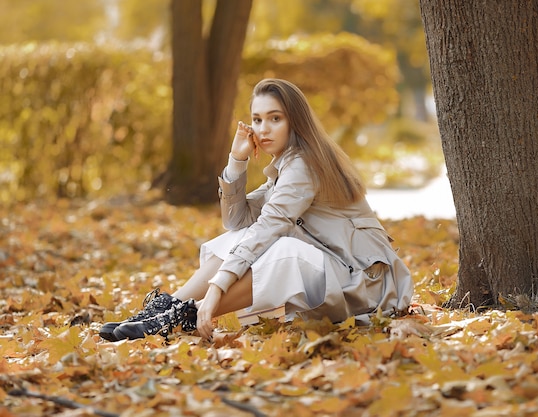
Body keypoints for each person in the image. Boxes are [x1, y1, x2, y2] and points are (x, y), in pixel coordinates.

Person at [99, 78, 413, 342]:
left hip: (369, 287)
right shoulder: (287, 166)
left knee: (284, 250)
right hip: (339, 274)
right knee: (245, 236)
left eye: (275, 118)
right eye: (258, 119)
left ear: (295, 121)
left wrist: (216, 288)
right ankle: (168, 309)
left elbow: (268, 228)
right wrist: (237, 160)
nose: (264, 129)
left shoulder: (305, 166)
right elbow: (236, 221)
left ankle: (186, 314)